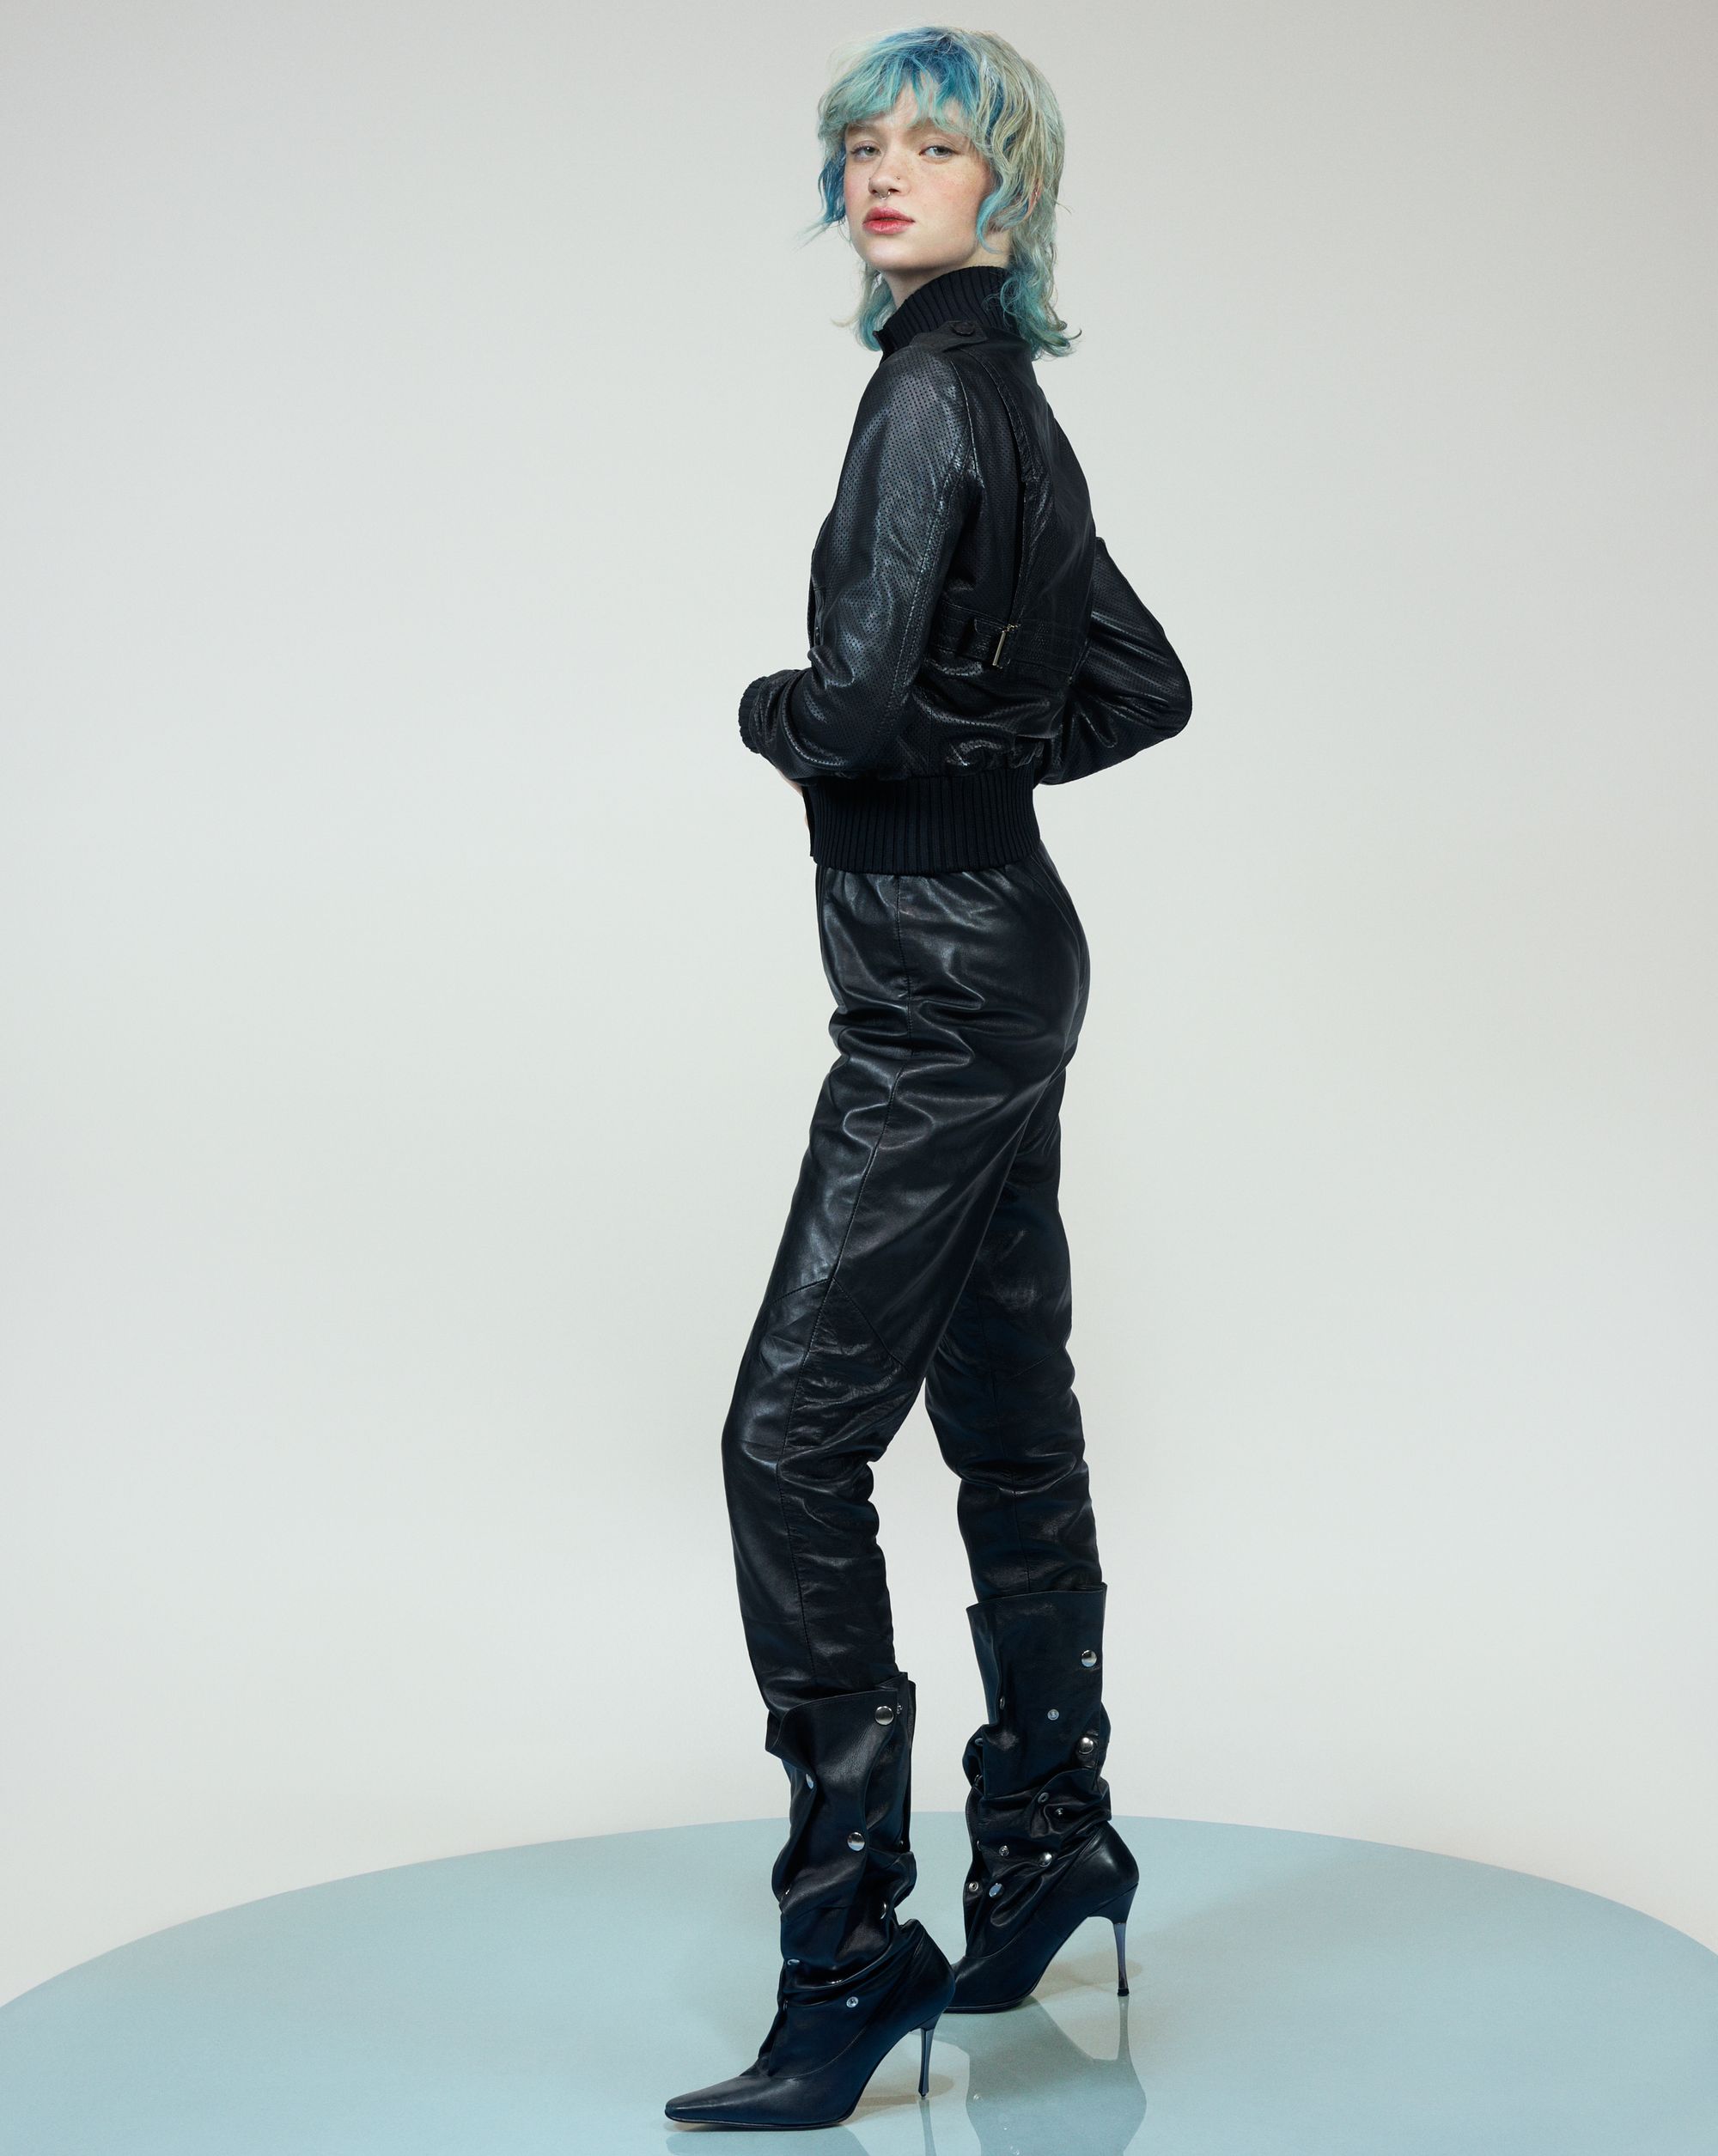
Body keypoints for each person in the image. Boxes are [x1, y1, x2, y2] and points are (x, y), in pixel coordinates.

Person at [665, 25, 1192, 2131]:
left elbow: (857, 702)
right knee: (1002, 1411)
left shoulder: (921, 401)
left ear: (1007, 190)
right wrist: (982, 749)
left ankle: (850, 1948)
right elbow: (1139, 686)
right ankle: (1052, 1842)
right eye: (864, 145)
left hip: (936, 988)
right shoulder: (1007, 403)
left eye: (935, 148)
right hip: (1006, 955)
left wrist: (769, 709)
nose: (888, 173)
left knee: (786, 1444)